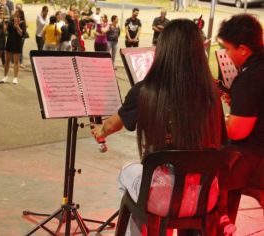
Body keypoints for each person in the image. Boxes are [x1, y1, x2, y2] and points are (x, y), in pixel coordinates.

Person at [92, 19, 226, 235]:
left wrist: (101, 131)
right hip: (205, 197)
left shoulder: (146, 91)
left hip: (162, 199)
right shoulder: (211, 96)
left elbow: (112, 124)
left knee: (128, 173)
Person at [216, 14, 264, 223]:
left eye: (227, 48)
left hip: (256, 157)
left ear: (243, 49)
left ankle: (219, 223)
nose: (225, 54)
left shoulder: (251, 76)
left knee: (208, 165)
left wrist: (221, 121)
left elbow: (237, 131)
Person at [2, 10, 26, 84]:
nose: (16, 16)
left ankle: (15, 78)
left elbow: (21, 34)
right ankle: (5, 76)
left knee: (16, 62)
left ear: (21, 16)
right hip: (9, 42)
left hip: (17, 44)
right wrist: (4, 23)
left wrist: (17, 26)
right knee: (7, 61)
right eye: (15, 15)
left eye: (18, 15)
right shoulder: (10, 22)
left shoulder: (22, 23)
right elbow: (5, 31)